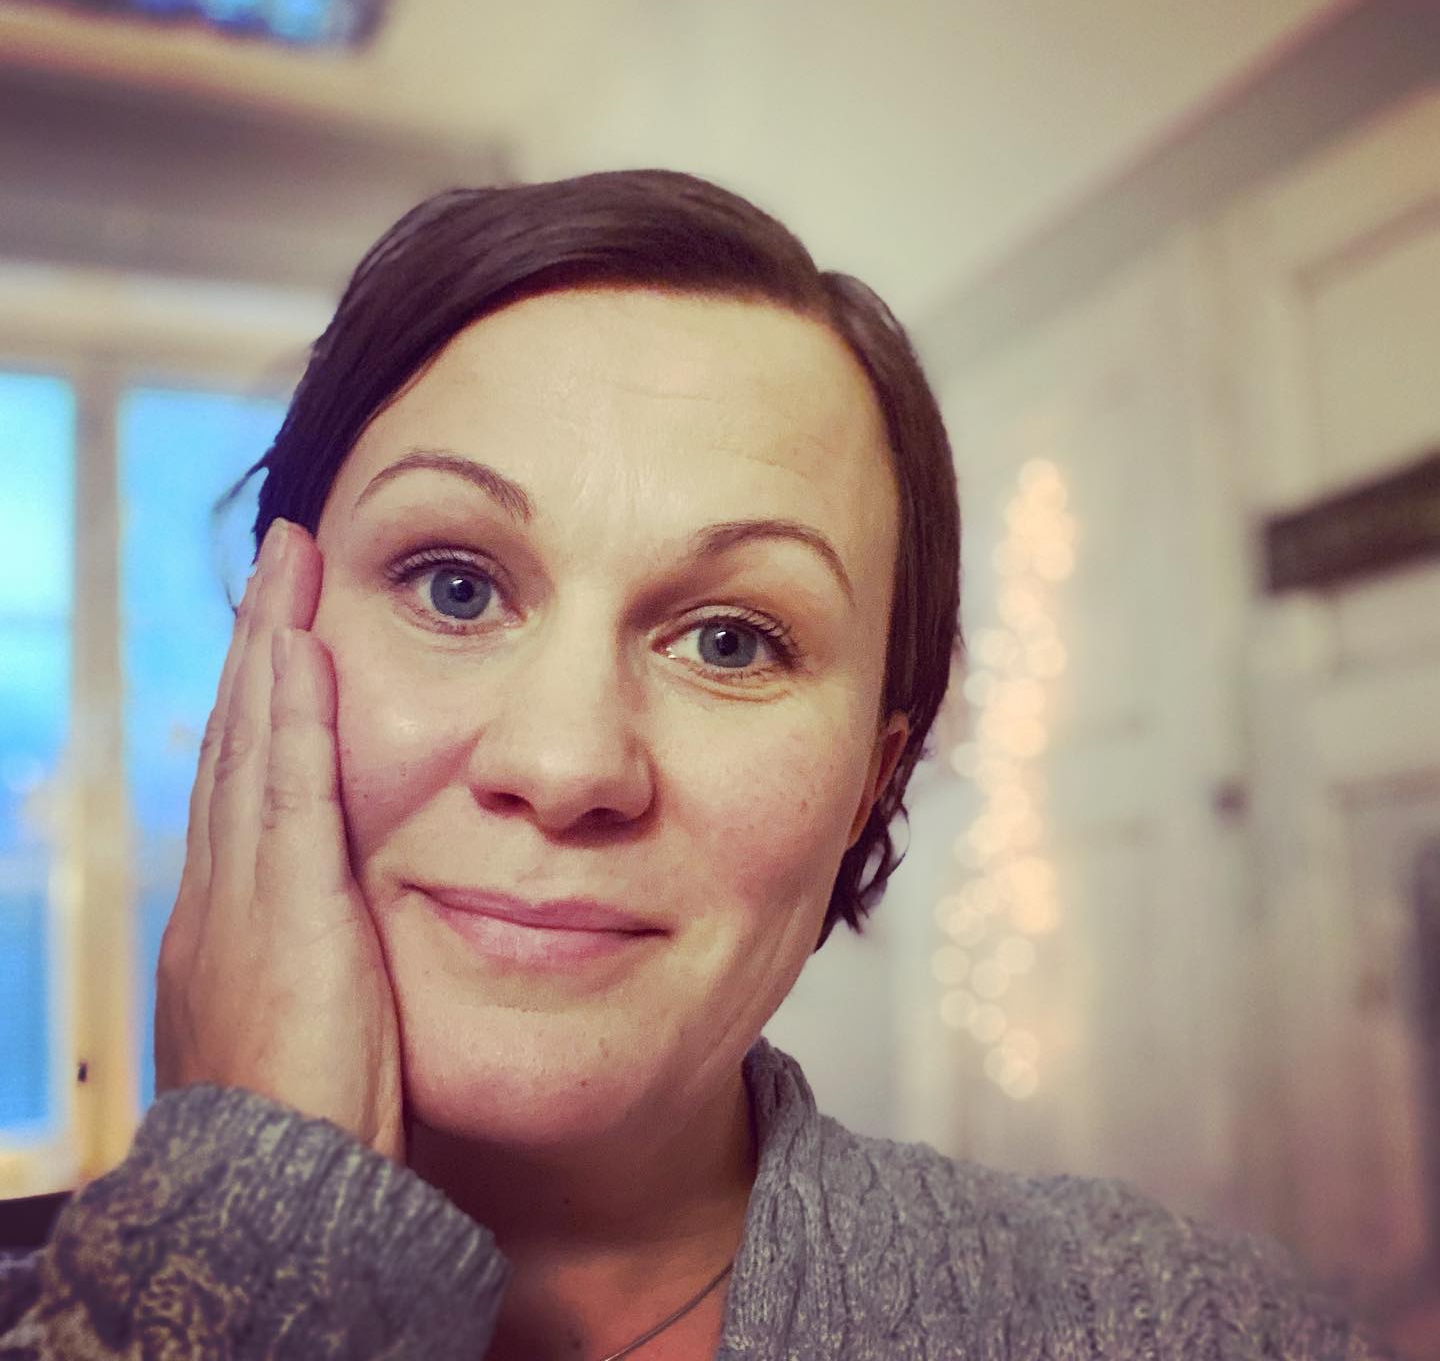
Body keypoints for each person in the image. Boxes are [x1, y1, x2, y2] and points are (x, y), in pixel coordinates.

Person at [0, 171, 1388, 1360]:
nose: (566, 764)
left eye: (731, 641)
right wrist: (246, 1243)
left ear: (875, 777)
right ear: (268, 643)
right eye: (455, 586)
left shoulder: (1180, 1329)